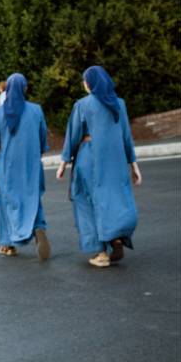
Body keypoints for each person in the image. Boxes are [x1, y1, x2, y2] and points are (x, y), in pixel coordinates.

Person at [56, 66, 142, 268]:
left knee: (85, 201)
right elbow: (126, 137)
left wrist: (63, 163)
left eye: (85, 80)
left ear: (91, 83)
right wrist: (134, 165)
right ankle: (115, 237)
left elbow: (73, 135)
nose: (84, 84)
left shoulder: (83, 105)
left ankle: (102, 252)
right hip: (116, 160)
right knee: (112, 198)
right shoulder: (119, 104)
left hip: (90, 159)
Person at [0, 73, 51, 259]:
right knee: (33, 197)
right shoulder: (36, 110)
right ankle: (38, 227)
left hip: (7, 165)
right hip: (31, 164)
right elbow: (42, 141)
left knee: (5, 202)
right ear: (25, 89)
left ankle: (7, 244)